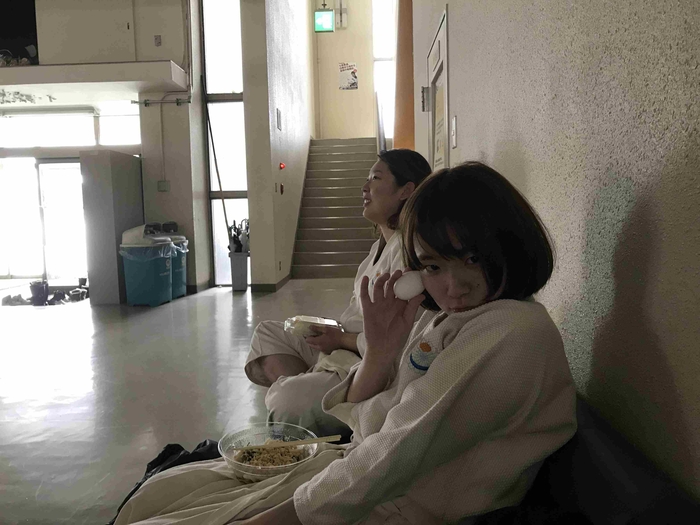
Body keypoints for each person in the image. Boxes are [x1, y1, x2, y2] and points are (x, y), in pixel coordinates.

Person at [114, 162, 577, 525]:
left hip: (391, 505)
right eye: (434, 267)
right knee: (158, 492)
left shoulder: (509, 332)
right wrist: (381, 351)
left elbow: (391, 456)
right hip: (356, 472)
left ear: (510, 244)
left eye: (472, 259)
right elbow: (369, 425)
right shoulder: (448, 318)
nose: (453, 286)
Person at [245, 148, 432, 439]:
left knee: (286, 402)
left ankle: (322, 397)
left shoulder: (409, 253)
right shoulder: (377, 249)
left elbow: (397, 341)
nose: (364, 187)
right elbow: (357, 314)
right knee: (267, 333)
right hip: (346, 344)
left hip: (367, 360)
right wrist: (331, 330)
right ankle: (321, 394)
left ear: (405, 191)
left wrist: (341, 339)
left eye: (375, 178)